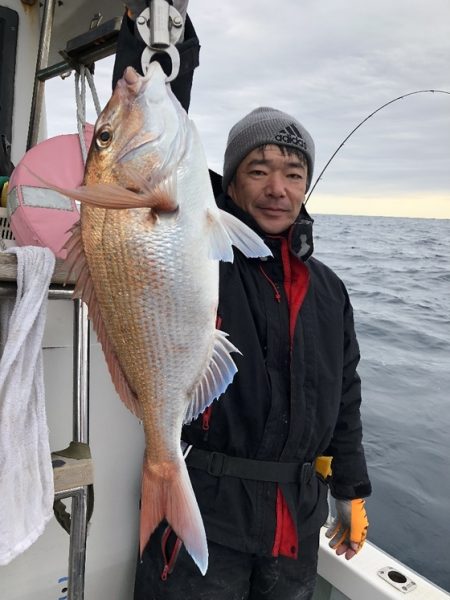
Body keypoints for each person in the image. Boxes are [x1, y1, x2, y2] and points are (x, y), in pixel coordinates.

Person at [113, 5, 372, 599]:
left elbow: (346, 395)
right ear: (227, 184)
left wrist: (352, 488)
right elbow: (145, 154)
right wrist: (148, 50)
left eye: (292, 173)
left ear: (306, 185)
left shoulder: (329, 290)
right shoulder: (203, 249)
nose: (277, 188)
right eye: (258, 170)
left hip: (295, 524)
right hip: (208, 506)